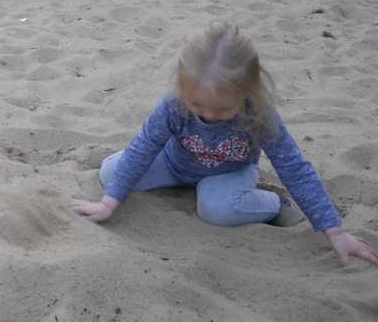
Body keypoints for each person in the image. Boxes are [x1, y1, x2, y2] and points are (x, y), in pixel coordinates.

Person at [74, 23, 377, 267]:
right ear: (182, 86)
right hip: (175, 163)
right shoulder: (174, 104)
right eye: (198, 105)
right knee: (110, 174)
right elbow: (144, 146)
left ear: (248, 91)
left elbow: (293, 167)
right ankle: (137, 185)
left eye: (221, 110)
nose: (208, 114)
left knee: (216, 209)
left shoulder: (259, 114)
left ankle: (273, 204)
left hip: (229, 172)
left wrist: (334, 231)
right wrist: (109, 203)